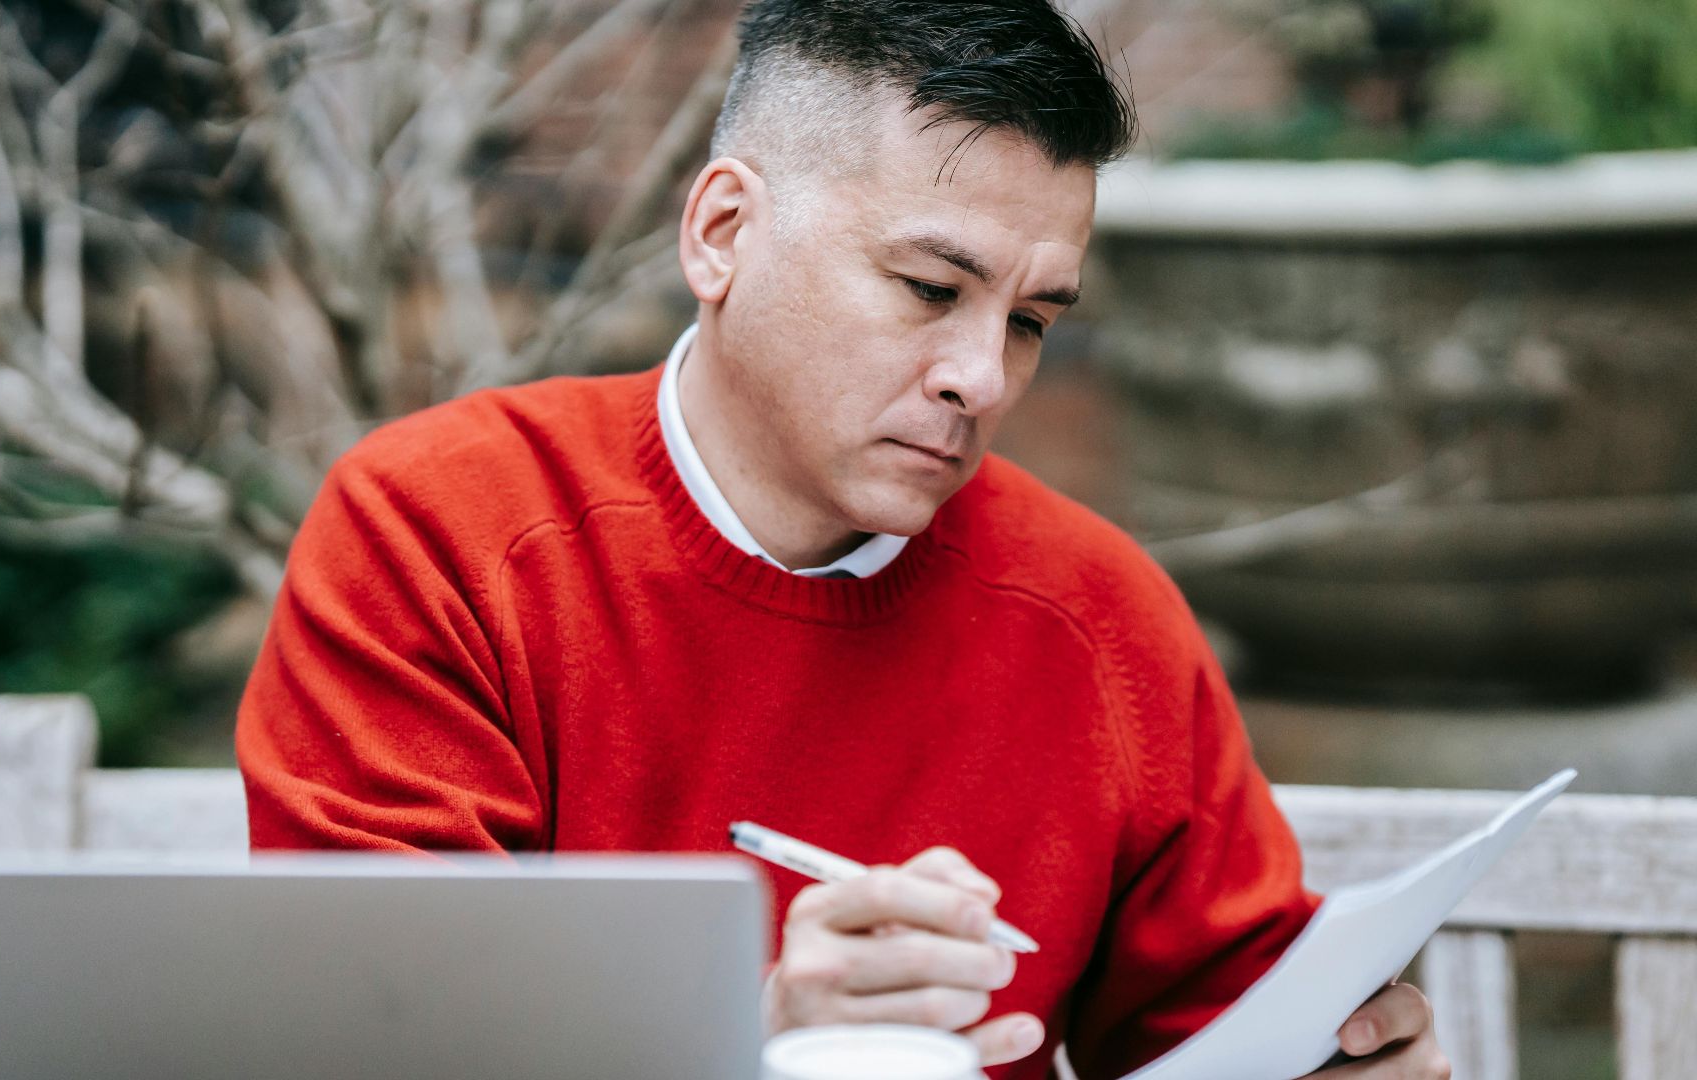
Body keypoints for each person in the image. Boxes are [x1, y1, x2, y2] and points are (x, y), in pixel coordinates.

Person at [235, 2, 1450, 1077]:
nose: (982, 378)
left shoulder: (1098, 616)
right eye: (930, 289)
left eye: (1030, 320)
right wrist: (749, 1045)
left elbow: (1229, 1021)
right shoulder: (439, 531)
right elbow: (381, 1034)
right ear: (721, 233)